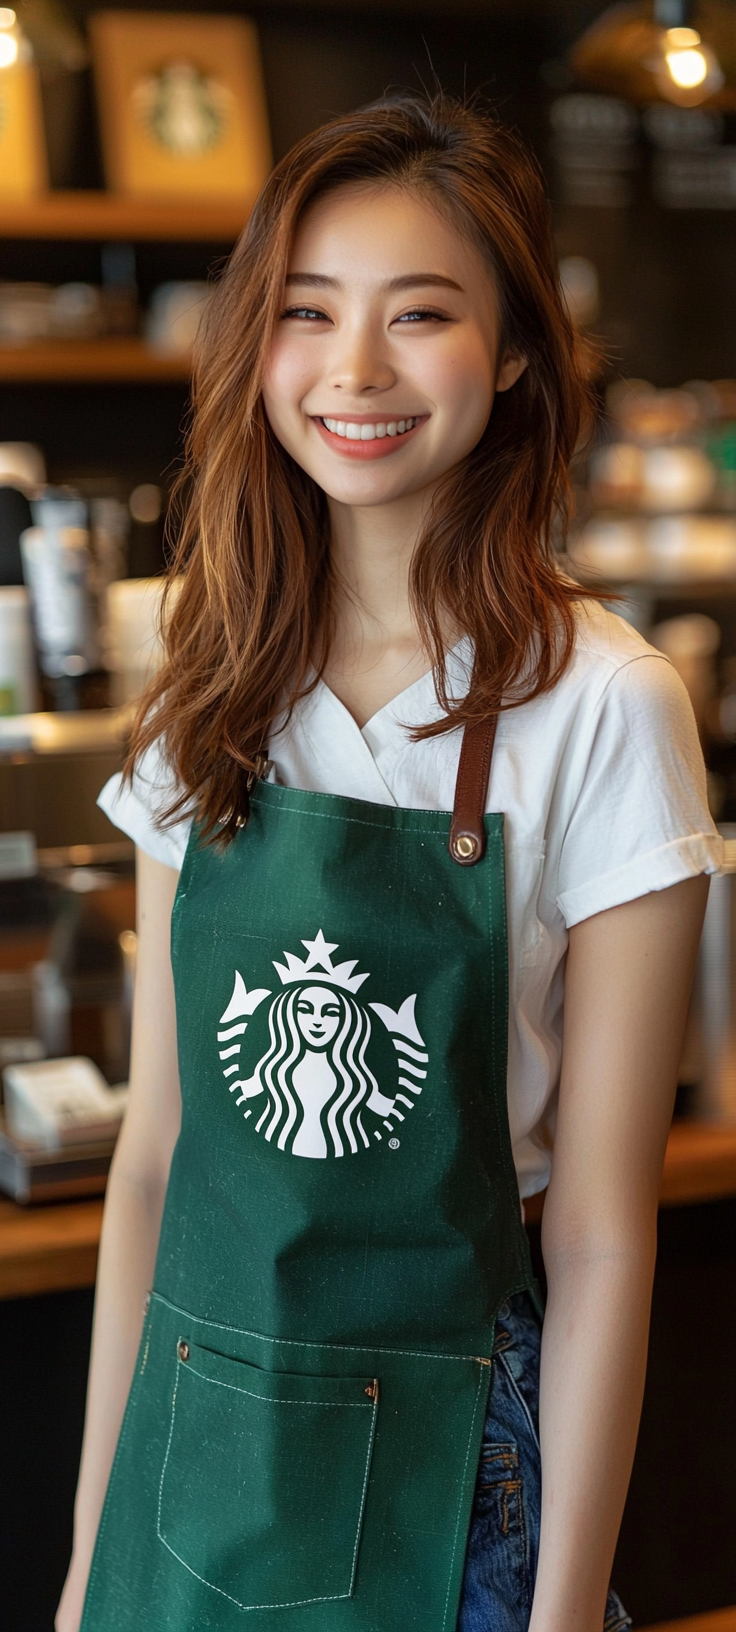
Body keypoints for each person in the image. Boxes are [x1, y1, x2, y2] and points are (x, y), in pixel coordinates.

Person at [58, 94, 721, 1632]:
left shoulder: (604, 704)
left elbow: (608, 1225)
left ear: (510, 354)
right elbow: (154, 1171)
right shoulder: (208, 693)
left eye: (419, 313)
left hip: (463, 1465)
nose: (355, 370)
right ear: (256, 349)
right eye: (307, 314)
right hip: (193, 1440)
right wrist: (90, 1555)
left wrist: (560, 1613)